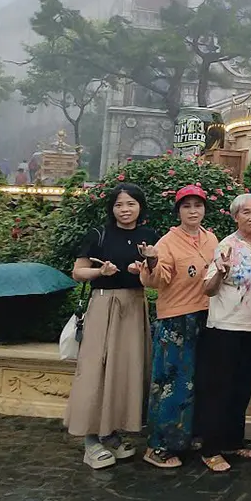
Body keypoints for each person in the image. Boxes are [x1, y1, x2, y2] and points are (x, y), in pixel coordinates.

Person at [64, 182, 157, 469]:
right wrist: (100, 272)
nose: (125, 209)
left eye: (130, 204)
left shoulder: (149, 237)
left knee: (127, 370)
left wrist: (147, 265)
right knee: (97, 370)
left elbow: (159, 274)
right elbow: (78, 272)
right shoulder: (99, 235)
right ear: (111, 208)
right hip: (104, 305)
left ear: (140, 206)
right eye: (119, 204)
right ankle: (91, 440)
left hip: (135, 305)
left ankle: (112, 434)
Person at [194, 193, 251, 472]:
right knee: (219, 389)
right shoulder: (226, 246)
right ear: (235, 216)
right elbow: (208, 289)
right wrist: (220, 271)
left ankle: (232, 441)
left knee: (242, 387)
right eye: (246, 212)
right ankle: (210, 448)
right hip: (225, 327)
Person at [138, 185, 216, 468]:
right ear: (178, 211)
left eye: (198, 205)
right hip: (176, 319)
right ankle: (158, 445)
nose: (193, 211)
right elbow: (156, 280)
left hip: (206, 317)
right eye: (186, 206)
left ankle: (186, 437)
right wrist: (151, 261)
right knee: (172, 383)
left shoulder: (210, 238)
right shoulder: (167, 243)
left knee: (199, 381)